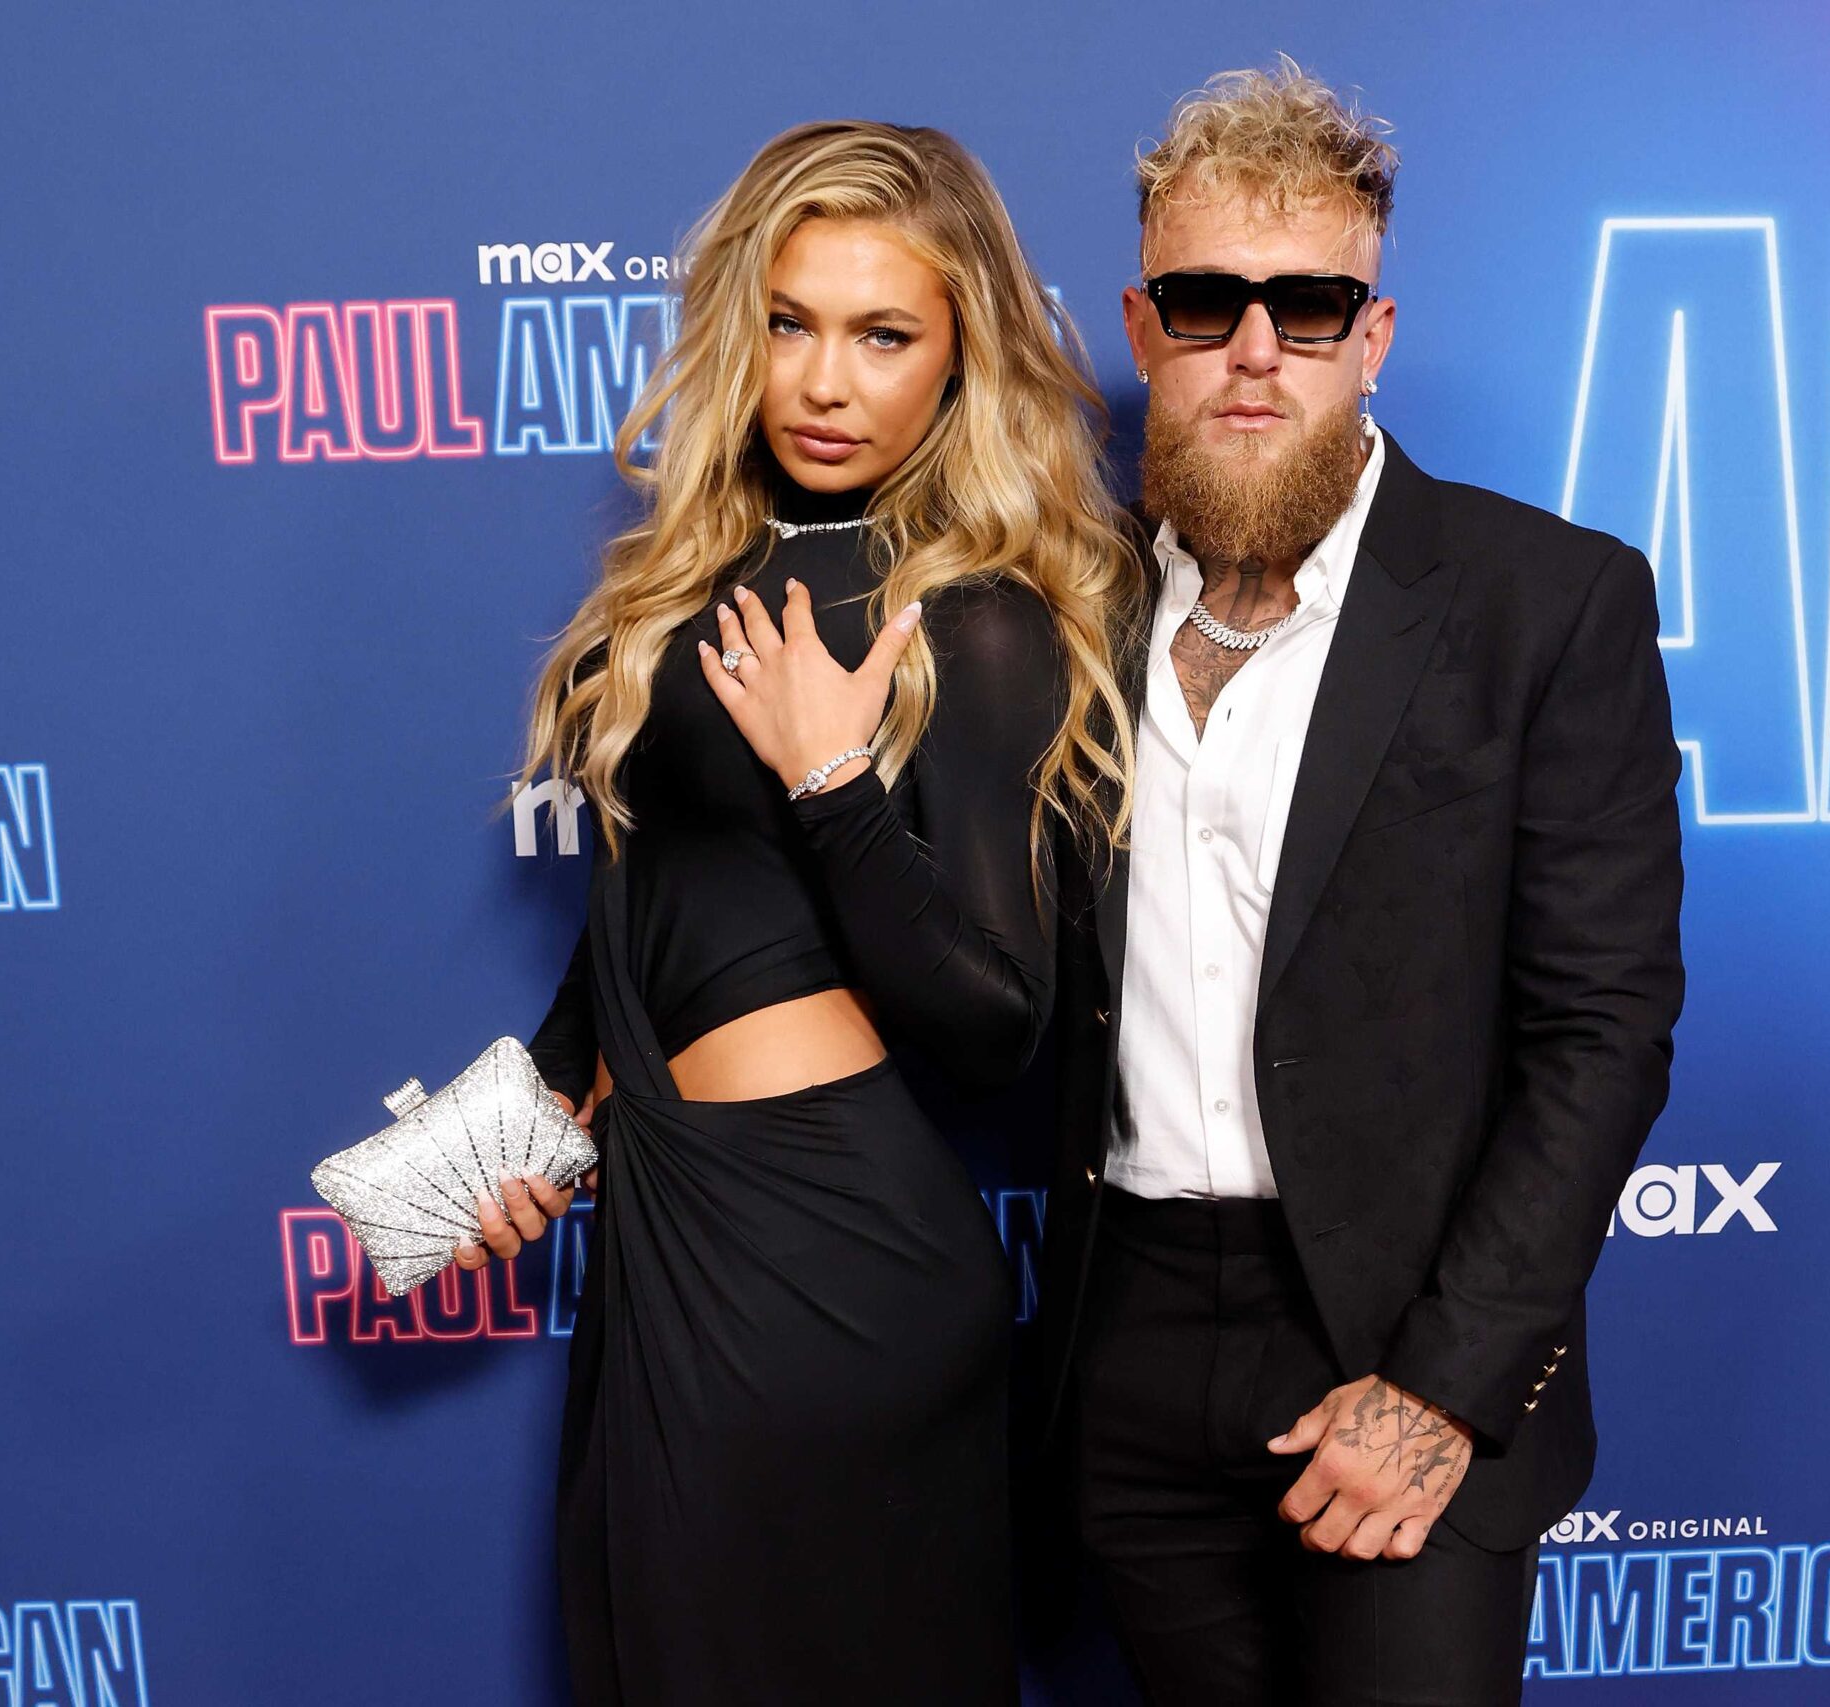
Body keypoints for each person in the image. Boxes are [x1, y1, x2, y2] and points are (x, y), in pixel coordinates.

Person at [460, 119, 1138, 1704]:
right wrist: (528, 1131)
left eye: (884, 335)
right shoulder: (685, 585)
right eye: (791, 323)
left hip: (832, 1262)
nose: (828, 383)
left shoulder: (969, 618)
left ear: (962, 355)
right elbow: (648, 909)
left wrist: (834, 778)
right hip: (667, 1228)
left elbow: (995, 1025)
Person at [1036, 62, 1686, 1704]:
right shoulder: (1053, 613)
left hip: (1411, 1336)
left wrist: (1445, 1389)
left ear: (1369, 335)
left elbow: (1602, 1030)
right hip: (1128, 1344)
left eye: (1308, 306)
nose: (1256, 348)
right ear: (1142, 323)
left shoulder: (1547, 602)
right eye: (1207, 301)